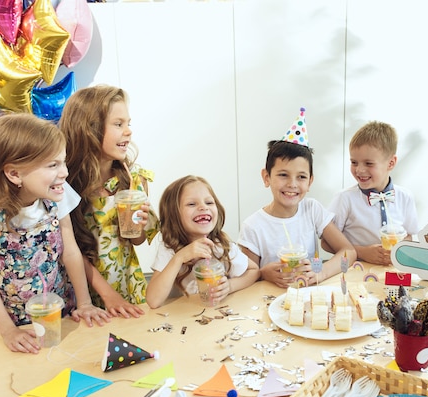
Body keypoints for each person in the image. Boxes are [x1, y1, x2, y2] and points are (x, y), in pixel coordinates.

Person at [0, 113, 110, 354]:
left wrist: (85, 303)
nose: (65, 173)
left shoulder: (58, 193)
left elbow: (70, 252)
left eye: (63, 162)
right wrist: (7, 330)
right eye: (52, 165)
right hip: (8, 323)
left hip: (58, 314)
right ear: (14, 174)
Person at [59, 85, 159, 317]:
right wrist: (106, 294)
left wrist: (138, 227)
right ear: (89, 129)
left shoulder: (134, 179)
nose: (128, 131)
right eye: (118, 124)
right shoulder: (66, 186)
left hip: (127, 284)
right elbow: (69, 248)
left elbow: (137, 241)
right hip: (84, 293)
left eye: (128, 123)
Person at [238, 108, 356, 288]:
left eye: (301, 177)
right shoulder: (253, 227)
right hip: (268, 303)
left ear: (310, 182)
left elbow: (348, 251)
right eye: (283, 175)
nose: (292, 184)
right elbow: (247, 275)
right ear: (266, 177)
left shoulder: (312, 209)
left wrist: (320, 272)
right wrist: (263, 273)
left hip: (307, 299)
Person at [146, 175, 260, 308]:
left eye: (209, 202)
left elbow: (254, 271)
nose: (203, 207)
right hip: (181, 318)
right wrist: (179, 258)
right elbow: (153, 301)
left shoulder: (220, 245)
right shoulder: (170, 249)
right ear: (173, 214)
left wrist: (230, 286)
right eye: (191, 204)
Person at [323, 121, 418, 266]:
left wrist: (398, 250)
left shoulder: (405, 197)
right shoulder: (345, 199)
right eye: (354, 162)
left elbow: (410, 236)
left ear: (391, 163)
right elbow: (326, 242)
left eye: (368, 163)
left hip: (391, 272)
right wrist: (361, 252)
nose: (359, 170)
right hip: (355, 271)